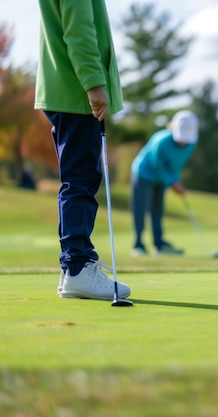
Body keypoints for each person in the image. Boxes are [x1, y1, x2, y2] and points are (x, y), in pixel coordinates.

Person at [34, 0, 131, 300]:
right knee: (81, 180)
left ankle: (74, 268)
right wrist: (93, 83)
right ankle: (77, 267)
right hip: (76, 92)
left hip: (64, 89)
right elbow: (79, 30)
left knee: (78, 178)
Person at [130, 110, 199, 256]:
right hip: (143, 173)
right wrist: (172, 182)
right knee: (140, 209)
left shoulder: (191, 143)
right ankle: (138, 245)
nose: (183, 141)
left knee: (157, 210)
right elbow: (157, 165)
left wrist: (175, 180)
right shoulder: (160, 141)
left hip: (161, 178)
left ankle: (159, 244)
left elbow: (176, 165)